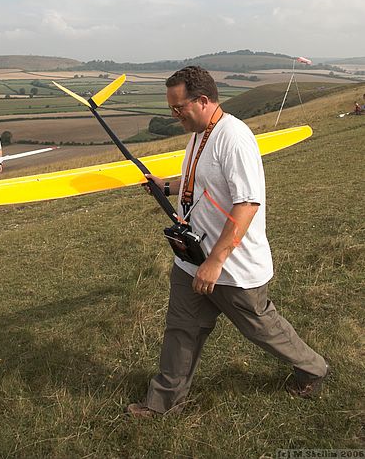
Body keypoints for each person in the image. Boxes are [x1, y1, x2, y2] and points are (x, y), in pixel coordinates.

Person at [127, 66, 329, 418]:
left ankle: (313, 368)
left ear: (203, 101)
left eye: (179, 108)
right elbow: (204, 183)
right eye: (171, 109)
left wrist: (215, 261)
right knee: (181, 330)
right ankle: (163, 403)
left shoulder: (234, 137)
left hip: (232, 267)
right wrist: (168, 186)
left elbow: (247, 203)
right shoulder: (199, 133)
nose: (175, 116)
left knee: (264, 329)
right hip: (192, 258)